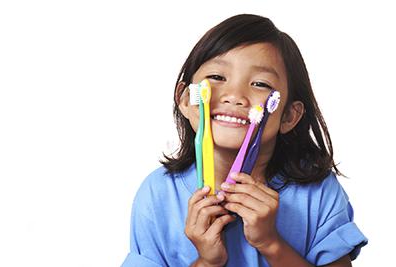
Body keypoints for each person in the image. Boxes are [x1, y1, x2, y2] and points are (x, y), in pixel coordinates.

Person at [121, 14, 367, 267]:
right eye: (217, 77)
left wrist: (271, 243)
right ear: (185, 99)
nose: (234, 96)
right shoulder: (157, 193)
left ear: (289, 116)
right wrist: (207, 261)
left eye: (260, 83)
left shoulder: (318, 192)